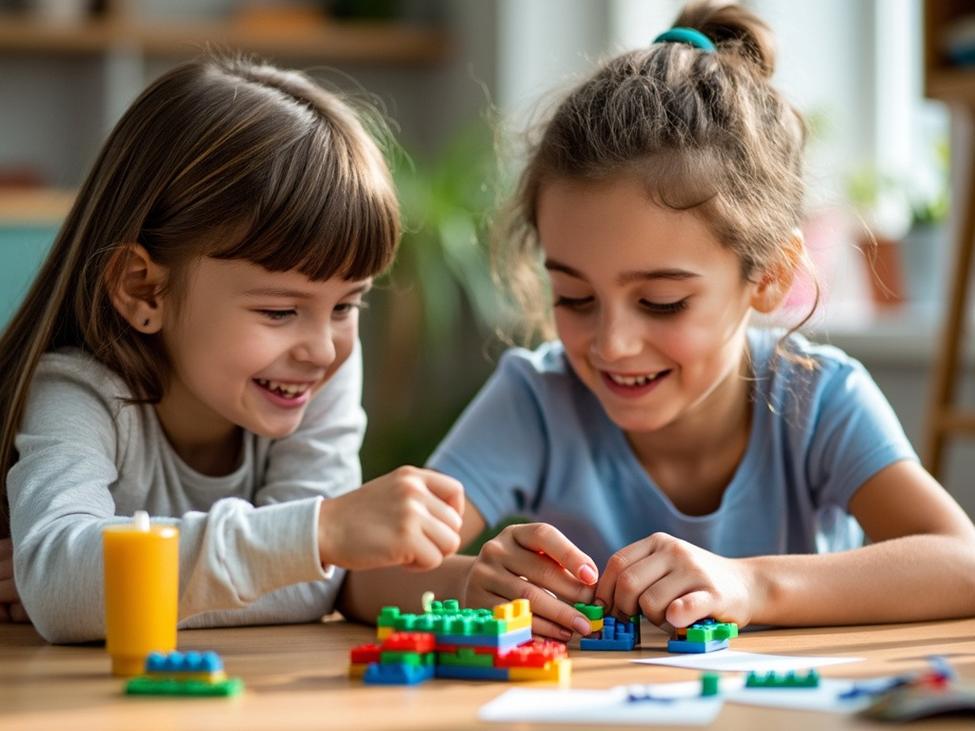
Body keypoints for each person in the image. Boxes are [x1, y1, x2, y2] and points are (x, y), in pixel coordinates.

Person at [339, 1, 975, 639]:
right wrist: (466, 582)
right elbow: (366, 576)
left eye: (662, 303)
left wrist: (750, 584)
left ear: (772, 277)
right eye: (574, 297)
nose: (612, 344)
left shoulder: (819, 399)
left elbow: (963, 563)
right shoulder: (537, 400)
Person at [0, 55, 464, 642]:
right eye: (279, 311)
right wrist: (313, 535)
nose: (323, 349)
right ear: (145, 288)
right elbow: (62, 591)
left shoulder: (311, 373)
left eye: (347, 305)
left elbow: (311, 586)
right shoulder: (79, 392)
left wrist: (119, 584)